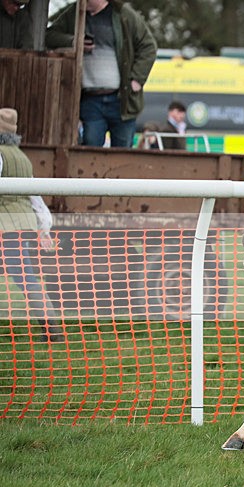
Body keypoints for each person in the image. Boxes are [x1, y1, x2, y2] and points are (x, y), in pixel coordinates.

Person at [46, 0, 157, 148]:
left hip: (121, 100)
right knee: (90, 148)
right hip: (90, 99)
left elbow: (149, 46)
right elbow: (49, 35)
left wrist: (137, 79)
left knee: (123, 152)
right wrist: (74, 41)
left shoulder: (123, 14)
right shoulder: (75, 12)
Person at [0, 108, 64, 343]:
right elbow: (35, 197)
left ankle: (52, 332)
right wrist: (43, 227)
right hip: (21, 223)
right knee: (26, 278)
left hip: (5, 224)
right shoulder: (21, 157)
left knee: (24, 277)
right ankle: (52, 331)